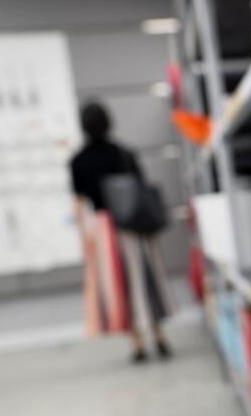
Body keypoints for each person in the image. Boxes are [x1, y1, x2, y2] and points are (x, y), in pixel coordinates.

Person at [70, 101, 174, 362]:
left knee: (120, 286)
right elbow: (141, 188)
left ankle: (137, 344)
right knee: (145, 281)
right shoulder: (124, 153)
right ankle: (158, 336)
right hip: (134, 226)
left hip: (105, 229)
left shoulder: (78, 161)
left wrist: (85, 238)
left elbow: (79, 204)